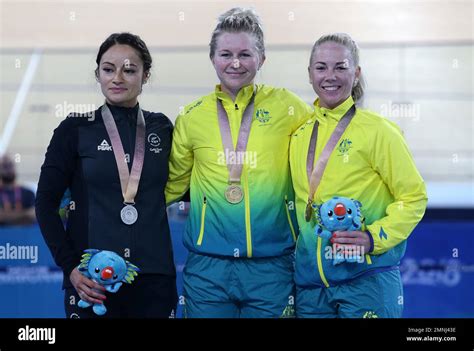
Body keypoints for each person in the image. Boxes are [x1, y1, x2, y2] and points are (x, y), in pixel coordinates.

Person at [166, 7, 313, 318]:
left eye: (245, 54)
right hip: (207, 269)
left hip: (272, 266)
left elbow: (323, 149)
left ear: (262, 58)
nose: (235, 63)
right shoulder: (192, 117)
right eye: (226, 54)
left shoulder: (289, 107)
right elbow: (172, 185)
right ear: (212, 58)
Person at [35, 32, 177, 318]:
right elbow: (45, 204)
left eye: (129, 70)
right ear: (98, 73)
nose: (117, 78)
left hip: (153, 280)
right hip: (92, 282)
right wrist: (72, 268)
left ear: (145, 75)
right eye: (108, 69)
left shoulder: (162, 127)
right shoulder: (74, 129)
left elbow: (188, 187)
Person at [289, 33, 428, 318]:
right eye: (321, 67)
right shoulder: (299, 135)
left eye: (340, 67)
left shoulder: (380, 131)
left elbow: (413, 197)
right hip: (311, 288)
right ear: (310, 74)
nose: (330, 76)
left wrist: (373, 238)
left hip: (367, 281)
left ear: (356, 73)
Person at [0, 155, 36, 225]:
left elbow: (33, 214)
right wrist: (24, 214)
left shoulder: (28, 193)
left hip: (25, 234)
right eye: (4, 166)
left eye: (10, 165)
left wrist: (6, 216)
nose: (8, 169)